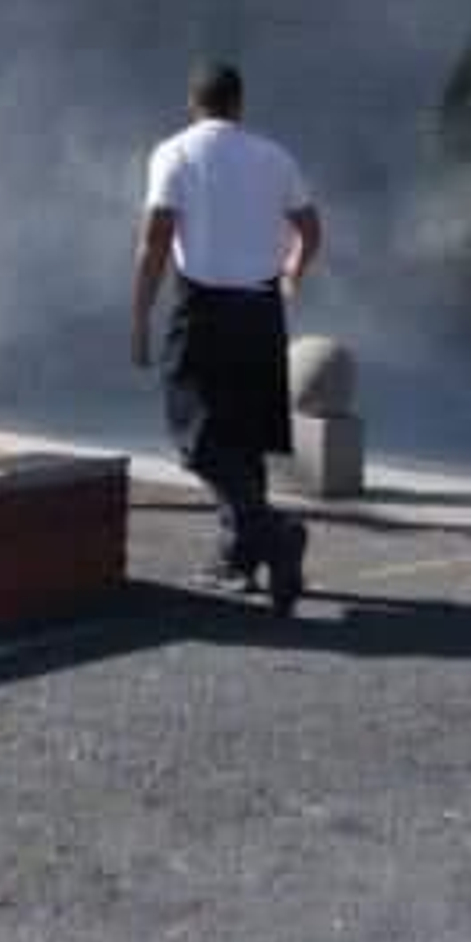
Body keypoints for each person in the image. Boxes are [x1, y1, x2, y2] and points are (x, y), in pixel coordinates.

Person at [132, 59, 323, 616]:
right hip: (262, 310)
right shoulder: (273, 155)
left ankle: (273, 534)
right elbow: (310, 230)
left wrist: (141, 318)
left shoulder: (174, 152)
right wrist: (291, 272)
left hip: (205, 310)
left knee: (194, 436)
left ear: (193, 104)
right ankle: (239, 558)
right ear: (239, 104)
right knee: (243, 438)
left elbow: (155, 242)